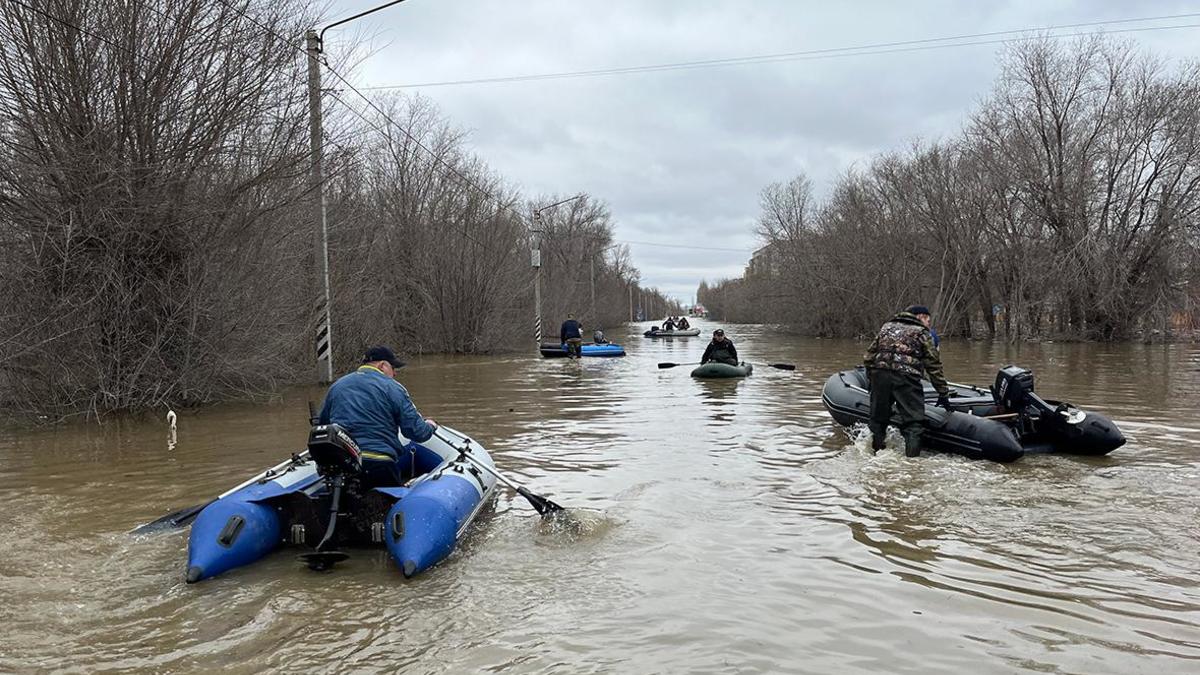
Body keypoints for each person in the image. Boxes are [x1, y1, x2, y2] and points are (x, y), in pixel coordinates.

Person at [318, 345, 437, 487]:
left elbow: (322, 425)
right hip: (379, 463)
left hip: (344, 463)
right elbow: (417, 432)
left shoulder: (337, 386)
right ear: (382, 365)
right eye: (393, 368)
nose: (395, 373)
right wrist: (430, 426)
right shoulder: (393, 388)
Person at [862, 305, 951, 458]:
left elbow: (869, 356)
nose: (929, 324)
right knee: (914, 425)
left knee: (878, 420)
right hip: (906, 378)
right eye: (928, 320)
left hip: (880, 376)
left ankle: (874, 455)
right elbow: (933, 365)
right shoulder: (922, 333)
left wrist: (872, 379)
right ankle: (912, 463)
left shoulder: (886, 327)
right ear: (920, 316)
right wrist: (943, 392)